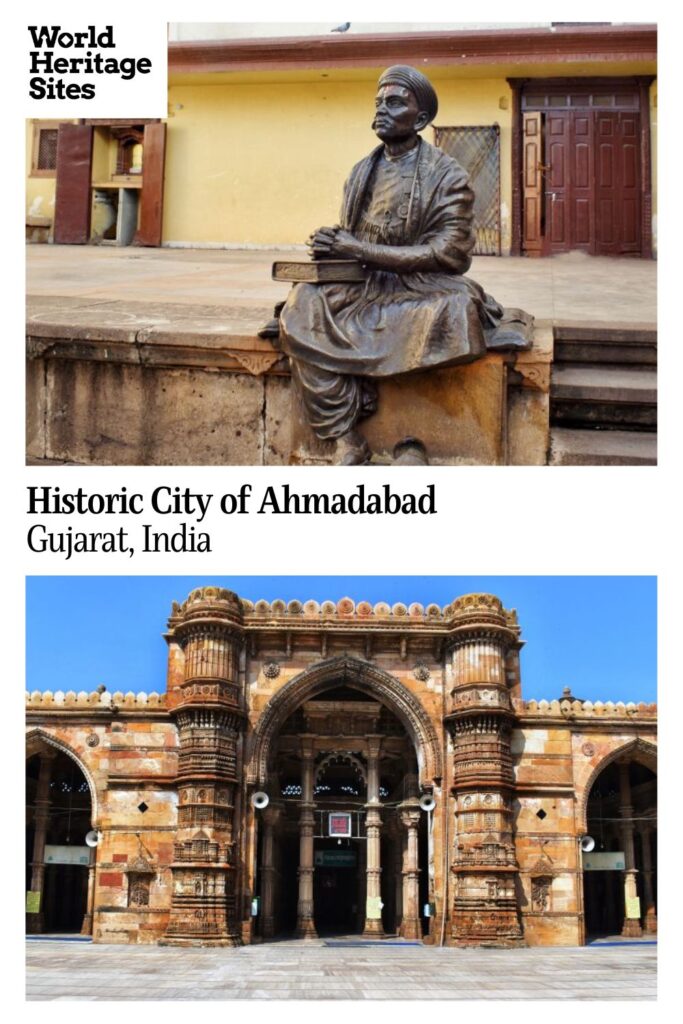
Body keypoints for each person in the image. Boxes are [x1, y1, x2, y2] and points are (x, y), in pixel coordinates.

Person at [264, 65, 531, 465]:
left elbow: (450, 256)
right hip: (363, 282)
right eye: (378, 102)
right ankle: (343, 435)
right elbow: (353, 235)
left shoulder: (448, 175)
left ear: (421, 119)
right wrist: (332, 244)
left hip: (422, 284)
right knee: (301, 306)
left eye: (394, 102)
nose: (381, 110)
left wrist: (359, 249)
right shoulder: (361, 171)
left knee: (457, 311)